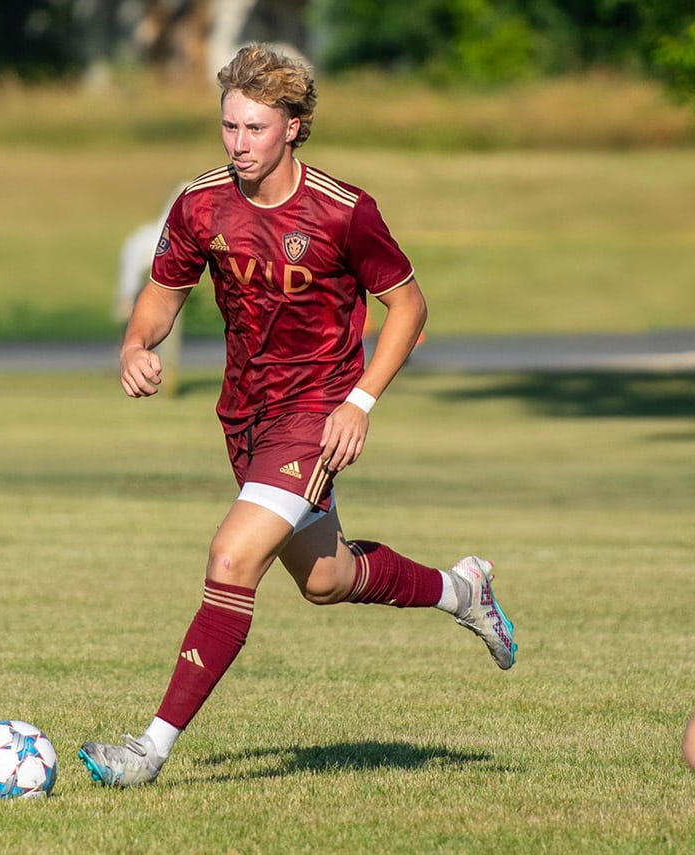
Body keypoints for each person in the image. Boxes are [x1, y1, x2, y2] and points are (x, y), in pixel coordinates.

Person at [78, 43, 517, 788]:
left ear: (294, 127)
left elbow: (408, 307)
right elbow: (163, 291)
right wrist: (133, 343)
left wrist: (361, 400)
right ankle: (461, 589)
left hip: (314, 414)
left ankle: (147, 750)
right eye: (228, 126)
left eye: (254, 128)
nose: (238, 144)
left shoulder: (346, 212)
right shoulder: (200, 204)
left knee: (230, 558)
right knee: (325, 579)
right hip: (244, 418)